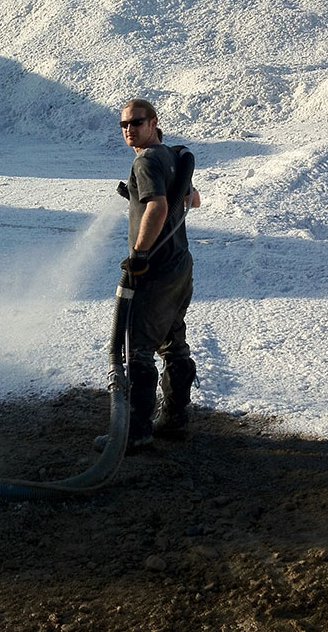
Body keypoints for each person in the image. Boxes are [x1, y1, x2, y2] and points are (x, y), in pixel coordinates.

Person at [107, 98, 200, 452]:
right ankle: (176, 419)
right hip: (180, 265)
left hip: (157, 269)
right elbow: (192, 199)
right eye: (124, 125)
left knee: (138, 347)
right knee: (174, 342)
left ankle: (136, 431)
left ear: (153, 122)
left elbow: (160, 207)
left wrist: (140, 255)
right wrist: (138, 196)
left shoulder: (146, 160)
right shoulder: (173, 156)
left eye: (136, 122)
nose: (129, 129)